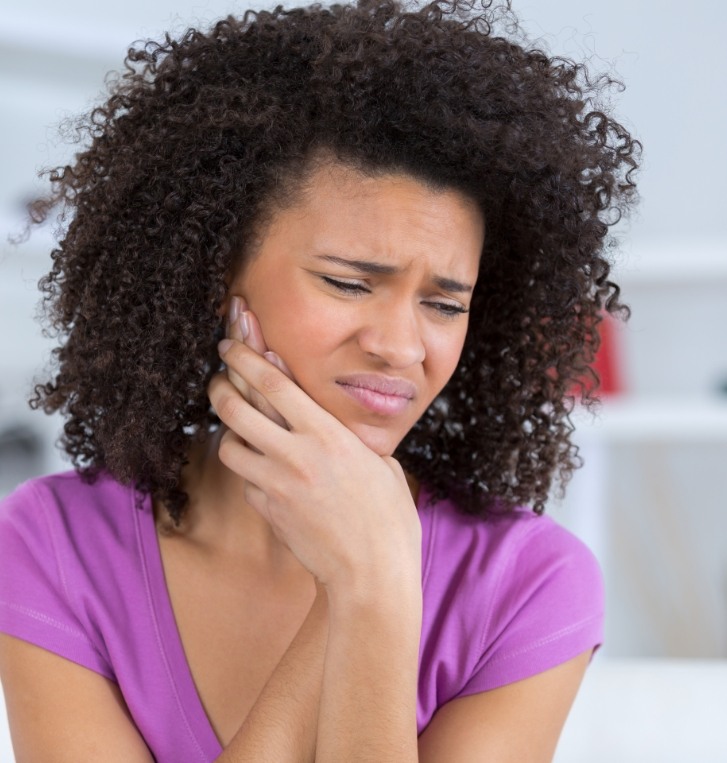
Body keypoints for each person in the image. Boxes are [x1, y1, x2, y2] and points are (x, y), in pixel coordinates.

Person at [0, 0, 640, 760]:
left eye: (443, 303)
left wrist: (373, 592)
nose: (400, 347)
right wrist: (359, 578)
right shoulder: (53, 544)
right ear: (215, 278)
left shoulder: (528, 581)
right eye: (346, 283)